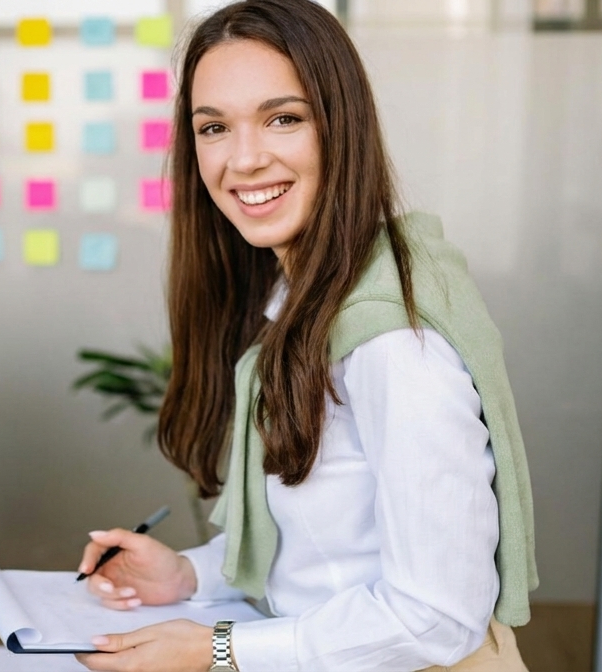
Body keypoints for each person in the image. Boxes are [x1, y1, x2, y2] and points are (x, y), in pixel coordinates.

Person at [73, 1, 536, 671]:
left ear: (340, 129)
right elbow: (330, 552)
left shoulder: (391, 342)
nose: (244, 159)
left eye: (282, 119)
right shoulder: (296, 306)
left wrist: (217, 649)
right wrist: (190, 577)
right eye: (213, 127)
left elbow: (437, 613)